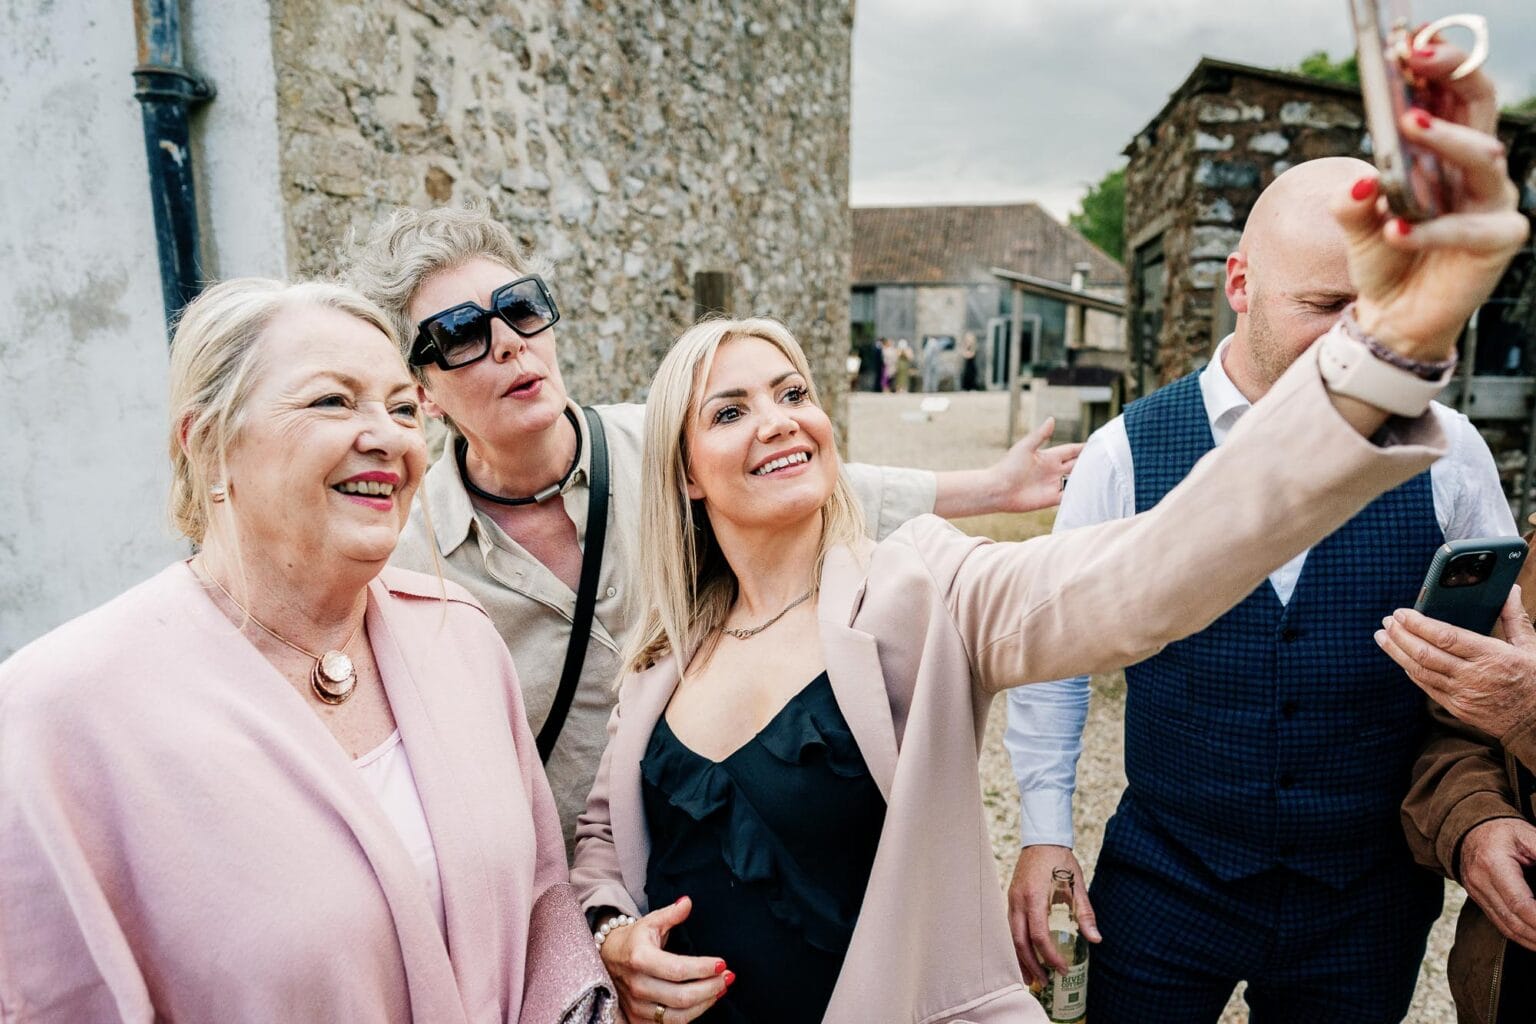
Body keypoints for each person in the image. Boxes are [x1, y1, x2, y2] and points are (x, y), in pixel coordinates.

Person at [570, 75, 1527, 1022]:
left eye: (793, 392)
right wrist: (614, 936)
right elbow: (607, 834)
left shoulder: (926, 588)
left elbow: (1148, 578)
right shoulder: (663, 643)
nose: (780, 422)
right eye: (730, 410)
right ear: (685, 473)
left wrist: (1385, 355)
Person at [342, 207, 1081, 845]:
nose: (508, 341)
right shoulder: (402, 565)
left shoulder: (664, 452)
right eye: (462, 332)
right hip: (572, 885)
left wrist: (993, 487)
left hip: (712, 843)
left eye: (521, 308)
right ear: (423, 393)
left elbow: (816, 484)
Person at [1002, 146, 1522, 1021]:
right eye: (1324, 307)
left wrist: (1485, 813)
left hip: (1367, 893)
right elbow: (1054, 652)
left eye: (1379, 307)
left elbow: (1496, 657)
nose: (1362, 340)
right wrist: (1044, 826)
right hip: (1168, 876)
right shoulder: (1127, 451)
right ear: (1240, 284)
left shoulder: (1452, 452)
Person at [0, 279, 609, 1021]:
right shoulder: (61, 712)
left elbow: (544, 893)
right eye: (332, 401)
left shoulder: (459, 637)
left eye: (402, 408)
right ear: (207, 442)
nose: (387, 436)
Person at [1388, 557, 1536, 1020]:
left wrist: (1529, 714)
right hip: (1511, 975)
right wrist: (1474, 817)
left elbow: (1519, 706)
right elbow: (1463, 730)